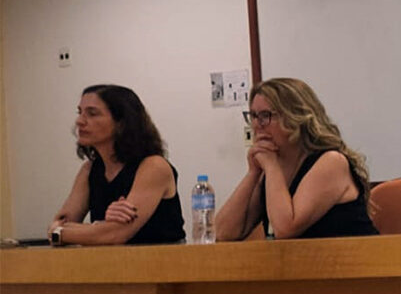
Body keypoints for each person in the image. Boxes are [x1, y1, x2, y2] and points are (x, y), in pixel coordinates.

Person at [215, 78, 377, 240]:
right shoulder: (271, 169)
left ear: (295, 118)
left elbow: (285, 229)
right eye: (254, 116)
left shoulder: (332, 162)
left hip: (354, 260)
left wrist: (271, 167)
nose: (257, 125)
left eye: (266, 115)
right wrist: (253, 173)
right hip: (302, 263)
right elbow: (223, 233)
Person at [48, 85, 185, 245]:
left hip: (162, 263)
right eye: (80, 113)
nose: (80, 121)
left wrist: (62, 233)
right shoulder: (89, 170)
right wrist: (99, 227)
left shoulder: (154, 166)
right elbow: (59, 223)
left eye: (92, 114)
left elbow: (115, 235)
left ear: (122, 122)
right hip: (112, 263)